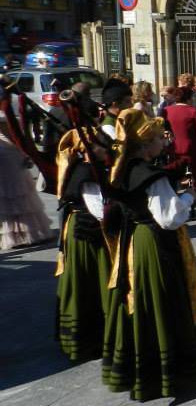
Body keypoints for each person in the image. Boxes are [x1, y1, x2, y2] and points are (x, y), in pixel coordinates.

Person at [100, 109, 196, 401]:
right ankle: (167, 371)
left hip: (135, 240)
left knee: (142, 304)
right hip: (154, 244)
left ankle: (141, 367)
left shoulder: (125, 167)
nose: (164, 141)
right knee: (163, 303)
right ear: (147, 143)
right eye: (160, 137)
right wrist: (188, 196)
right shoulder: (149, 174)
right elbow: (169, 218)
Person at [51, 128, 110, 360]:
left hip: (79, 229)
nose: (105, 150)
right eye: (100, 146)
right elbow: (99, 211)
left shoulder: (83, 168)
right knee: (90, 283)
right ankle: (92, 338)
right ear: (87, 150)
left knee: (87, 283)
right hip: (86, 234)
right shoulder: (86, 172)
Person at [0, 121, 53, 249]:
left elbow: (10, 132)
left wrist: (23, 152)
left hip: (8, 154)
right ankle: (22, 233)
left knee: (11, 194)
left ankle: (19, 235)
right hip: (9, 153)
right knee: (15, 194)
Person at [164, 87, 196, 195]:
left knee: (176, 171)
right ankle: (191, 194)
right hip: (190, 147)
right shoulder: (193, 111)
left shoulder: (167, 110)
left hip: (173, 146)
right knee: (192, 172)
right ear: (189, 98)